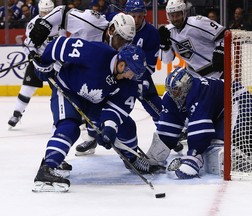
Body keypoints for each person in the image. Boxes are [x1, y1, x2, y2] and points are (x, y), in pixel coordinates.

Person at [31, 37, 161, 192]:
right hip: (68, 90)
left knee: (127, 126)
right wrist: (43, 64)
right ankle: (48, 168)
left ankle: (131, 160)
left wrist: (109, 129)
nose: (131, 77)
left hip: (96, 103)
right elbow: (58, 45)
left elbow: (116, 108)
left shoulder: (129, 82)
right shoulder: (96, 53)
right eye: (131, 72)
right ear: (121, 64)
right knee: (69, 127)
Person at [8, 3, 135, 127]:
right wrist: (44, 24)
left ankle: (88, 131)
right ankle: (21, 114)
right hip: (61, 64)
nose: (122, 46)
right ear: (112, 30)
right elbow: (61, 12)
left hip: (76, 70)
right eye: (121, 39)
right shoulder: (91, 21)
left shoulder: (118, 51)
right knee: (36, 92)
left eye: (127, 42)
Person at [74, 0, 165, 155]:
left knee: (151, 98)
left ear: (145, 15)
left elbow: (149, 65)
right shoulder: (115, 19)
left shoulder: (151, 34)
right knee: (96, 100)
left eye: (139, 16)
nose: (136, 20)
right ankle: (92, 137)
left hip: (136, 74)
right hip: (112, 70)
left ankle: (166, 133)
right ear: (126, 14)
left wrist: (137, 80)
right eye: (133, 16)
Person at [145, 67, 252, 179]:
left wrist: (193, 155)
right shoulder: (170, 97)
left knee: (218, 146)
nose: (174, 95)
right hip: (218, 113)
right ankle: (241, 146)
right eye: (171, 91)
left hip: (239, 102)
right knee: (213, 144)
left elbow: (201, 131)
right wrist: (153, 157)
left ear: (186, 87)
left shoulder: (199, 90)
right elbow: (167, 128)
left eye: (177, 91)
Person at [8, 0, 57, 128]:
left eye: (48, 12)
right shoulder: (33, 24)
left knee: (59, 92)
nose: (46, 14)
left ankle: (61, 119)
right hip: (37, 60)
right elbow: (28, 44)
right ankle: (17, 113)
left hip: (55, 61)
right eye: (43, 12)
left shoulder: (60, 21)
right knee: (26, 88)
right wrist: (32, 54)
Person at [158, 0, 226, 80]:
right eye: (172, 16)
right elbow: (167, 60)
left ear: (184, 12)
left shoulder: (198, 22)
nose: (175, 19)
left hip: (216, 73)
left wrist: (221, 50)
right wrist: (164, 44)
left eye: (178, 15)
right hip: (193, 77)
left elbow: (223, 34)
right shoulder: (168, 31)